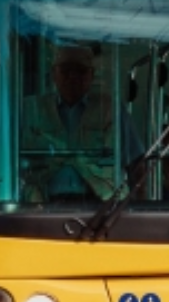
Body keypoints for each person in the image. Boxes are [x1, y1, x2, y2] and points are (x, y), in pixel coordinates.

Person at [19, 44, 134, 202]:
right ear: (53, 74)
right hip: (41, 203)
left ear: (92, 75)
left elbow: (136, 162)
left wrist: (139, 205)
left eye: (80, 70)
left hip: (101, 204)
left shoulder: (112, 109)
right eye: (65, 70)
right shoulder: (30, 109)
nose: (72, 76)